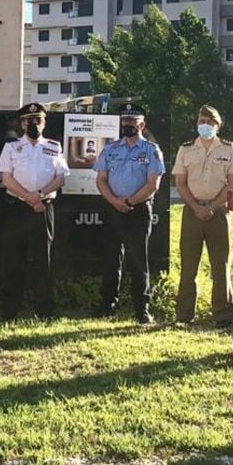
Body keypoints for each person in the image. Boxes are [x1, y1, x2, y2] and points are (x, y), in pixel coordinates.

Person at [0, 102, 69, 320]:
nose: (33, 124)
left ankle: (44, 311)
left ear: (44, 123)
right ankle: (10, 312)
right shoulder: (11, 147)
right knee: (13, 260)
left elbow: (60, 178)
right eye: (29, 120)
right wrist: (28, 197)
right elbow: (6, 179)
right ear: (22, 124)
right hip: (18, 207)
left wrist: (39, 195)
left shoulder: (54, 147)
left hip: (43, 208)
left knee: (43, 260)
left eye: (37, 120)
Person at [94, 103, 166, 324]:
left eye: (132, 123)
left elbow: (153, 184)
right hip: (113, 207)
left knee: (138, 260)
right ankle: (108, 304)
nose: (127, 126)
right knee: (111, 258)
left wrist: (129, 201)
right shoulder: (111, 149)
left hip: (138, 208)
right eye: (124, 122)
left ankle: (141, 309)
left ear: (142, 125)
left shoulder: (151, 150)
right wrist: (115, 201)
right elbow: (101, 179)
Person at [172, 105, 233, 326]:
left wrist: (211, 206)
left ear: (218, 126)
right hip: (192, 211)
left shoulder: (229, 149)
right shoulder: (186, 149)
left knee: (220, 265)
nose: (206, 126)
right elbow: (180, 183)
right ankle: (184, 315)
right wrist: (196, 206)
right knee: (188, 264)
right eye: (202, 121)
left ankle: (223, 315)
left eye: (210, 122)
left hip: (218, 212)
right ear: (197, 124)